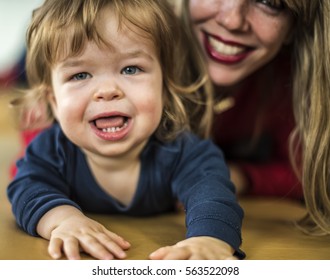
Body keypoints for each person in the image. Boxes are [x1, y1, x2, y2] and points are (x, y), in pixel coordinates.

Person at [7, 0, 245, 260]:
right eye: (80, 75)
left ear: (164, 87)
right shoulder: (51, 149)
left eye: (130, 69)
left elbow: (213, 193)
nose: (107, 90)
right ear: (53, 99)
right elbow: (27, 188)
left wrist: (209, 239)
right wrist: (63, 220)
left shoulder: (183, 149)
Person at [176, 0, 330, 235]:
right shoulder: (134, 41)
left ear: (294, 26)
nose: (232, 20)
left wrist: (241, 176)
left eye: (270, 3)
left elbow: (306, 172)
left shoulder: (286, 80)